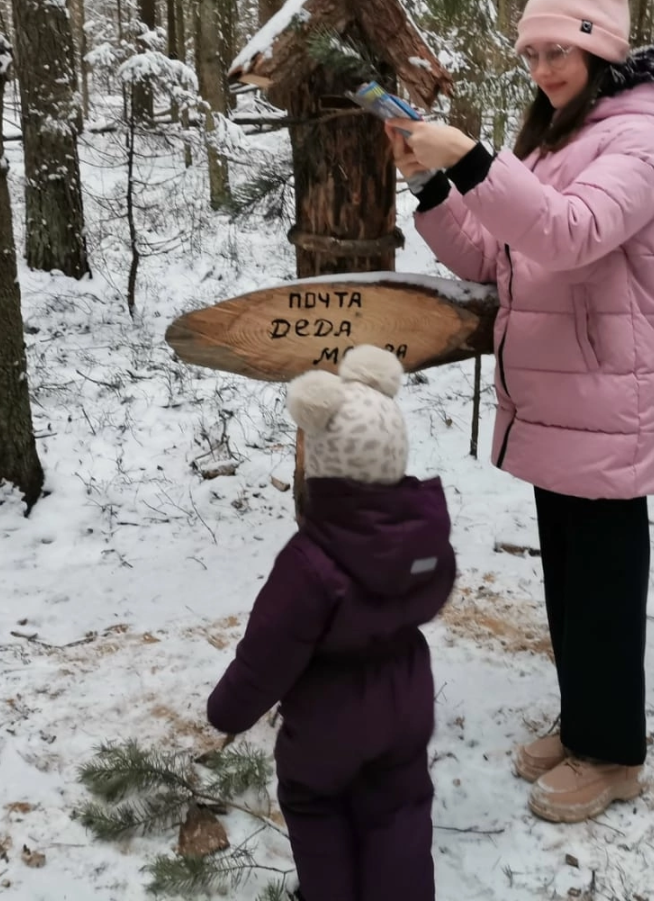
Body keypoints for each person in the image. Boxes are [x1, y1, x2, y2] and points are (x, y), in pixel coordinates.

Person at [385, 0, 654, 824]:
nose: (544, 69)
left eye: (559, 50)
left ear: (602, 49)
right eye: (531, 54)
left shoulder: (642, 136)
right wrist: (432, 182)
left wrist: (479, 159)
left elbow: (570, 234)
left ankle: (615, 754)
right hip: (563, 396)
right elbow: (497, 255)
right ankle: (585, 724)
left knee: (603, 583)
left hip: (609, 394)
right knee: (570, 581)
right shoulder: (561, 134)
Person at [207, 345, 456, 901]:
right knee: (400, 807)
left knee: (317, 808)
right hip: (406, 701)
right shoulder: (423, 539)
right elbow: (434, 594)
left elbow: (268, 653)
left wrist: (227, 710)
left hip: (328, 722)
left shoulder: (309, 561)